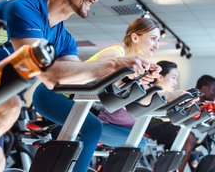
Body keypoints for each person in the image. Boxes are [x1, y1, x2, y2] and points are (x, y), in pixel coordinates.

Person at [0, 0, 161, 171]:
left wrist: (128, 75)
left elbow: (66, 81)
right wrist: (115, 63)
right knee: (10, 106)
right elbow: (48, 72)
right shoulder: (24, 8)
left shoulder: (65, 39)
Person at [33, 17, 161, 171]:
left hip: (72, 100)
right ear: (135, 37)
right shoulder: (115, 52)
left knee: (69, 150)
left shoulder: (129, 67)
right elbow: (104, 76)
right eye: (153, 39)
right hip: (51, 93)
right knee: (93, 127)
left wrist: (140, 77)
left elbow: (114, 92)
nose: (156, 45)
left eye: (158, 40)